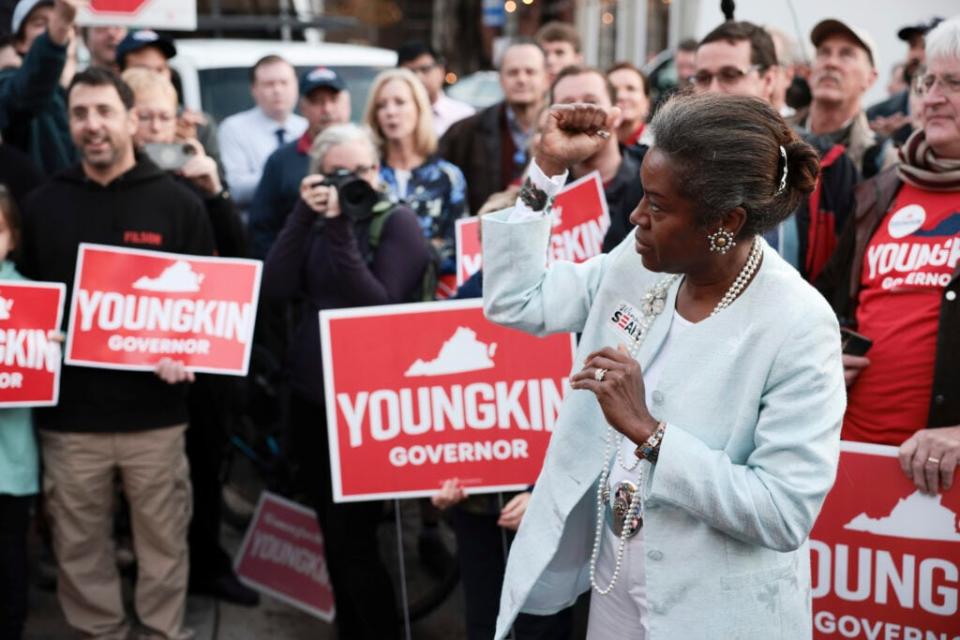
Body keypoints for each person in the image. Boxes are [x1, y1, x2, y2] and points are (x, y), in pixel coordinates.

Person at [483, 93, 845, 639]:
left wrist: (649, 433)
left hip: (715, 615)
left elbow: (782, 513)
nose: (636, 217)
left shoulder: (796, 322)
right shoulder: (641, 257)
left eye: (657, 205)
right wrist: (549, 167)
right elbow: (518, 300)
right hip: (613, 592)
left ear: (726, 221)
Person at [18, 67, 214, 640]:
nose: (92, 125)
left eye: (104, 111)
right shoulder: (42, 205)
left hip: (155, 418)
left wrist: (189, 353)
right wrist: (37, 335)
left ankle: (161, 634)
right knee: (79, 550)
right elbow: (23, 299)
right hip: (70, 422)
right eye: (80, 114)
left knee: (163, 545)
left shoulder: (179, 205)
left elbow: (209, 312)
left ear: (132, 119)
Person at [262, 123, 431, 640]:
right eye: (339, 172)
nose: (353, 180)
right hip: (314, 399)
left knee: (355, 539)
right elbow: (274, 286)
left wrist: (340, 228)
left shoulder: (397, 224)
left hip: (366, 405)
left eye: (361, 170)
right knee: (332, 536)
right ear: (318, 178)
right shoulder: (311, 220)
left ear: (378, 174)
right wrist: (301, 215)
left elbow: (377, 305)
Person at [816, 16, 960, 496]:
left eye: (954, 83)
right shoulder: (877, 192)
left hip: (943, 489)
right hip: (851, 469)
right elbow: (829, 307)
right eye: (928, 82)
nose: (932, 97)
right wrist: (825, 354)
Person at [694, 20, 858, 283]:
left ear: (768, 79)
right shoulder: (676, 161)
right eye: (703, 78)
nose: (713, 90)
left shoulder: (824, 163)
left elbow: (844, 272)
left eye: (730, 75)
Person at [0, 185, 49, 640]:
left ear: (12, 237)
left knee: (9, 557)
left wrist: (48, 352)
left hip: (9, 468)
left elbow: (37, 380)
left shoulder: (34, 300)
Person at [364, 67, 467, 276]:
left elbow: (458, 248)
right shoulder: (366, 173)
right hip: (374, 292)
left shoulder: (448, 177)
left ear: (419, 108)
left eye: (400, 102)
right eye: (381, 105)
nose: (390, 112)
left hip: (431, 295)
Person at [249, 66, 351, 259]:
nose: (327, 109)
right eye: (317, 102)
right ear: (303, 108)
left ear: (347, 104)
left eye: (333, 100)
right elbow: (262, 229)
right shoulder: (280, 160)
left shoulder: (367, 153)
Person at [440, 40, 547, 214]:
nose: (521, 79)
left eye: (530, 72)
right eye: (513, 72)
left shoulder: (562, 129)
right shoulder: (466, 132)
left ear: (546, 78)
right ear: (500, 79)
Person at [551, 64, 644, 252]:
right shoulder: (546, 189)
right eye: (568, 105)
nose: (580, 114)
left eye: (591, 102)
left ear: (616, 114)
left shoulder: (650, 181)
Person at [793, 19, 886, 178]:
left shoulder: (881, 158)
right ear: (809, 71)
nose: (831, 63)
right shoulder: (775, 132)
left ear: (870, 78)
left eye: (846, 54)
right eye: (823, 52)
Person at [115, 29, 220, 166]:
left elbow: (218, 183)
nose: (156, 126)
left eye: (160, 69)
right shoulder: (103, 125)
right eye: (142, 69)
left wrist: (186, 153)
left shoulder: (199, 126)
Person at [218, 54, 306, 215]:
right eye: (269, 84)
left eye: (284, 82)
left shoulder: (307, 128)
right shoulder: (234, 128)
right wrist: (285, 177)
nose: (278, 90)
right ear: (254, 89)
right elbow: (236, 190)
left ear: (296, 86)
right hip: (257, 227)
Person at [1, 0, 77, 175]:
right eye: (40, 23)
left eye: (66, 23)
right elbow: (28, 91)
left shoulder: (81, 89)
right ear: (19, 43)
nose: (52, 29)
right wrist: (59, 26)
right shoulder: (8, 84)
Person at [867, 17, 943, 143]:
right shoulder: (877, 114)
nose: (915, 55)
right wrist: (882, 142)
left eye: (926, 46)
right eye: (912, 46)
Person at [397, 41, 474, 137]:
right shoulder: (392, 118)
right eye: (410, 72)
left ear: (441, 71)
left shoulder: (462, 116)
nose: (418, 78)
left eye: (425, 69)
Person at [606, 61, 650, 148]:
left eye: (631, 89)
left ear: (646, 103)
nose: (620, 96)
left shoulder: (662, 146)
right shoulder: (592, 146)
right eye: (613, 90)